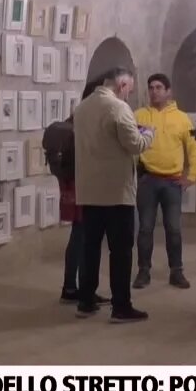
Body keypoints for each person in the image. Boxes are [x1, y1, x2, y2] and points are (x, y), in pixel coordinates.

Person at [72, 67, 155, 323]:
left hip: (89, 190)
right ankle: (121, 306)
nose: (129, 95)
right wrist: (149, 134)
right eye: (129, 89)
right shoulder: (118, 109)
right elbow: (135, 145)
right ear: (121, 85)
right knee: (120, 251)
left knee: (90, 248)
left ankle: (85, 300)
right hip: (116, 192)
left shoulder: (82, 107)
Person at [133, 73, 196, 289]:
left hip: (172, 181)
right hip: (147, 180)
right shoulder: (139, 116)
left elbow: (194, 147)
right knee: (145, 228)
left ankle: (176, 271)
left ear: (168, 91)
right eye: (151, 87)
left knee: (174, 228)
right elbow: (130, 145)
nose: (154, 91)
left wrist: (192, 176)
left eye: (159, 87)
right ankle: (144, 271)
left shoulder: (181, 118)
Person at [53, 81, 110, 305]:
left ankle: (74, 287)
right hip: (84, 184)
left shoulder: (75, 118)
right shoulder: (85, 121)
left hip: (73, 184)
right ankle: (78, 289)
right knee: (84, 237)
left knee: (81, 235)